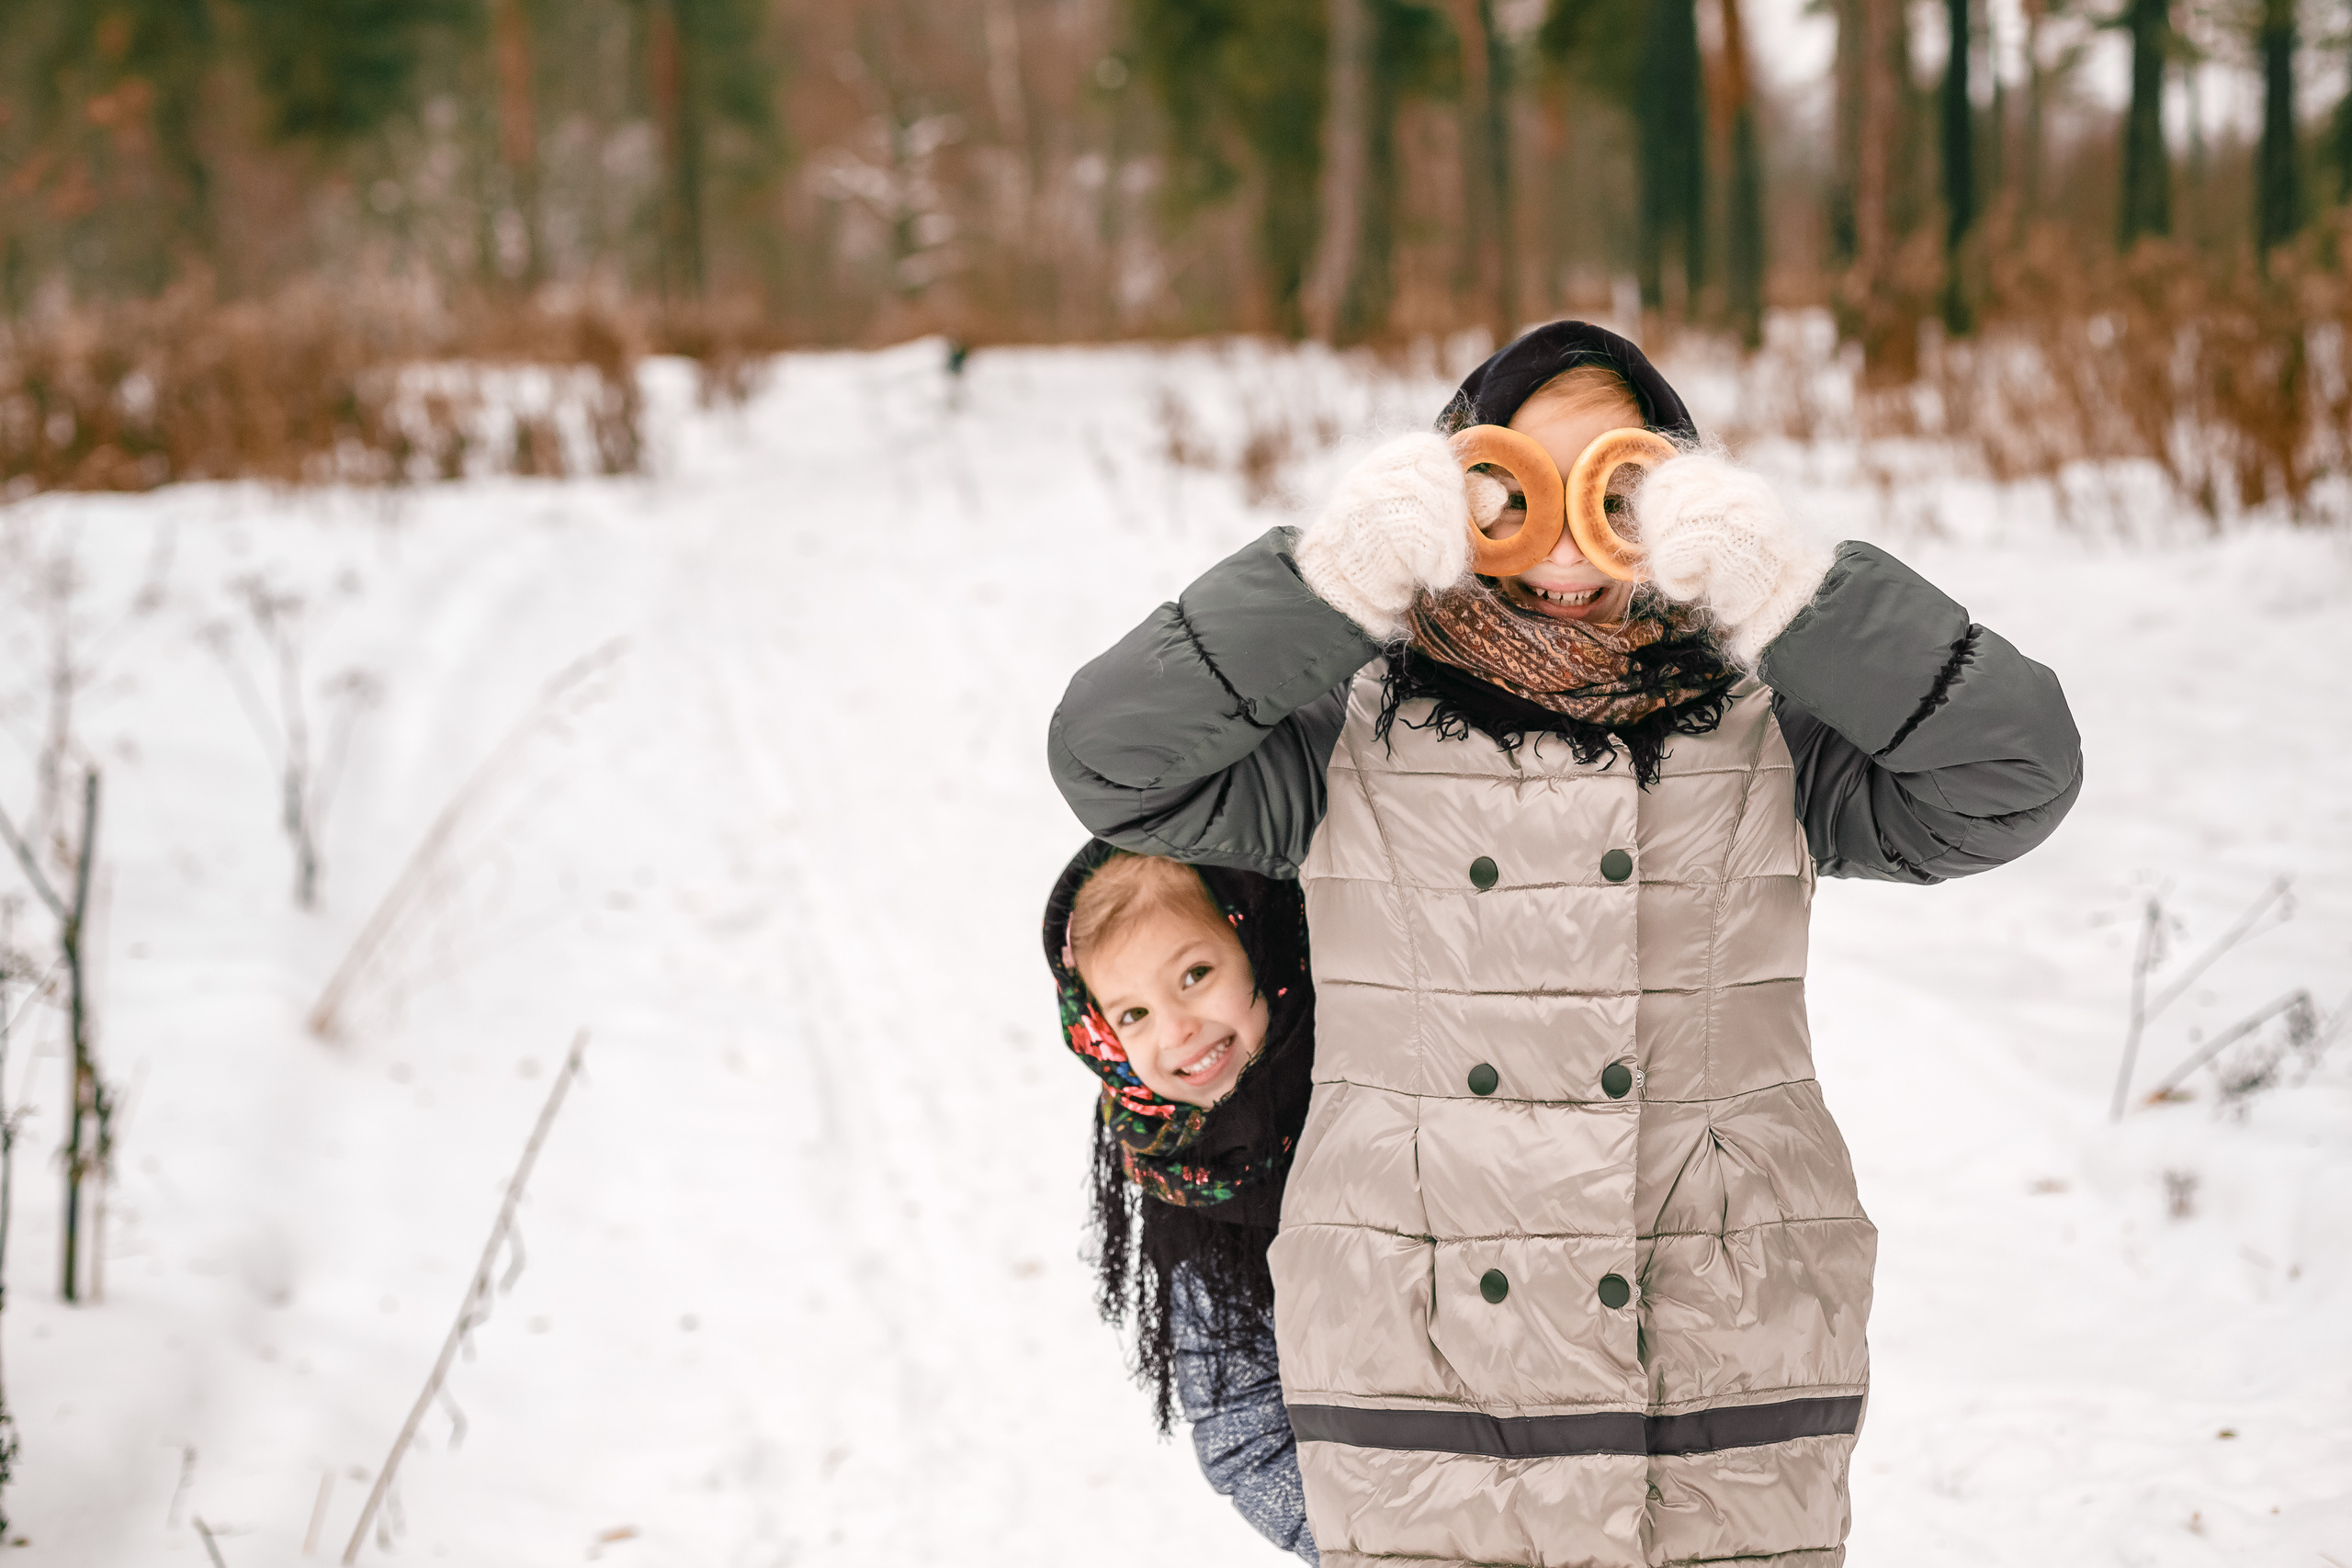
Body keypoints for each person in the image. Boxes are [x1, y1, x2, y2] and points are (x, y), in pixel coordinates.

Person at [1046, 321, 2082, 1566]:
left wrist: (1796, 595)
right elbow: (1112, 760)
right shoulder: (1343, 734)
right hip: (1424, 1365)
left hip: (1716, 1352)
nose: (1568, 548)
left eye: (1620, 493)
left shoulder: (1768, 729)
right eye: (1512, 493)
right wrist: (1328, 582)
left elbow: (2014, 776)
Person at [1044, 841, 1320, 1562]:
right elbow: (1248, 1436)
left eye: (1195, 975)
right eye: (1133, 1013)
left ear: (1259, 942)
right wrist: (1383, 1545)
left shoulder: (1390, 1075)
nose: (1175, 1030)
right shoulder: (1187, 1188)